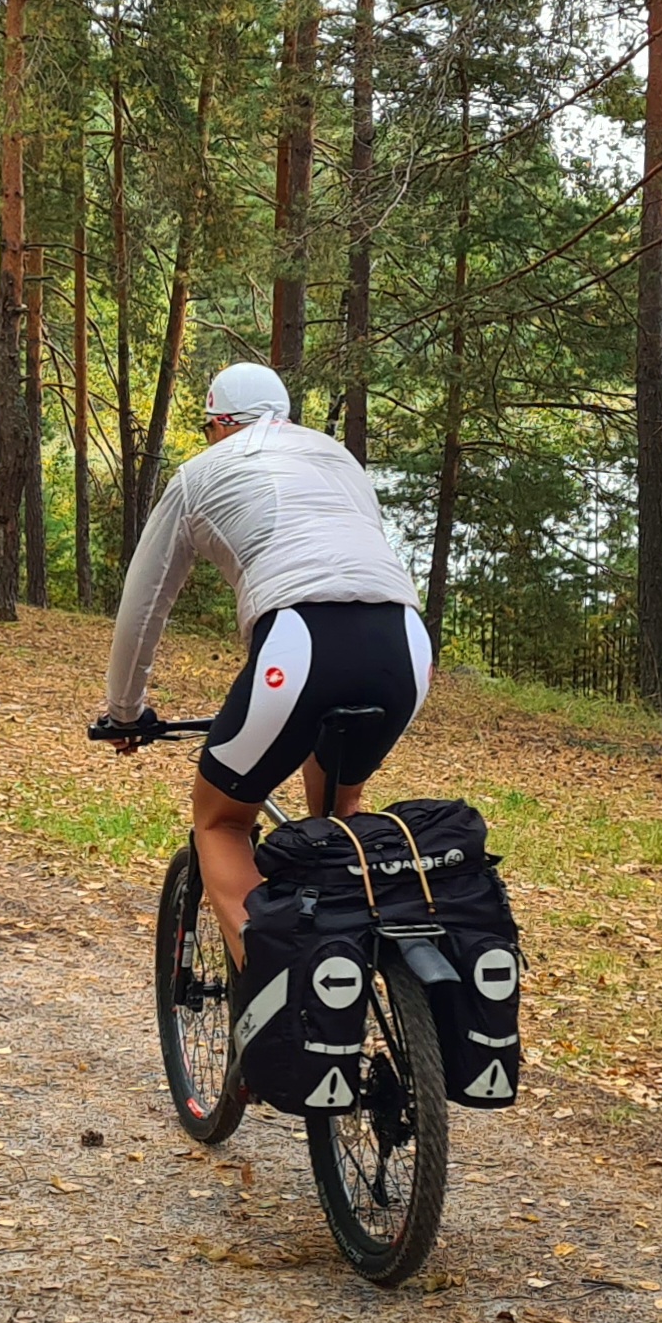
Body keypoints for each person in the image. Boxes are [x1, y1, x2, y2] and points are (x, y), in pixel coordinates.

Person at [101, 360, 431, 950]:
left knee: (222, 820)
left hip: (300, 641)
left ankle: (277, 977)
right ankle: (365, 965)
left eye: (207, 428)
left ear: (221, 422)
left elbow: (143, 605)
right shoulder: (338, 459)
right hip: (404, 641)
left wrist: (125, 712)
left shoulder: (199, 474)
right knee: (339, 813)